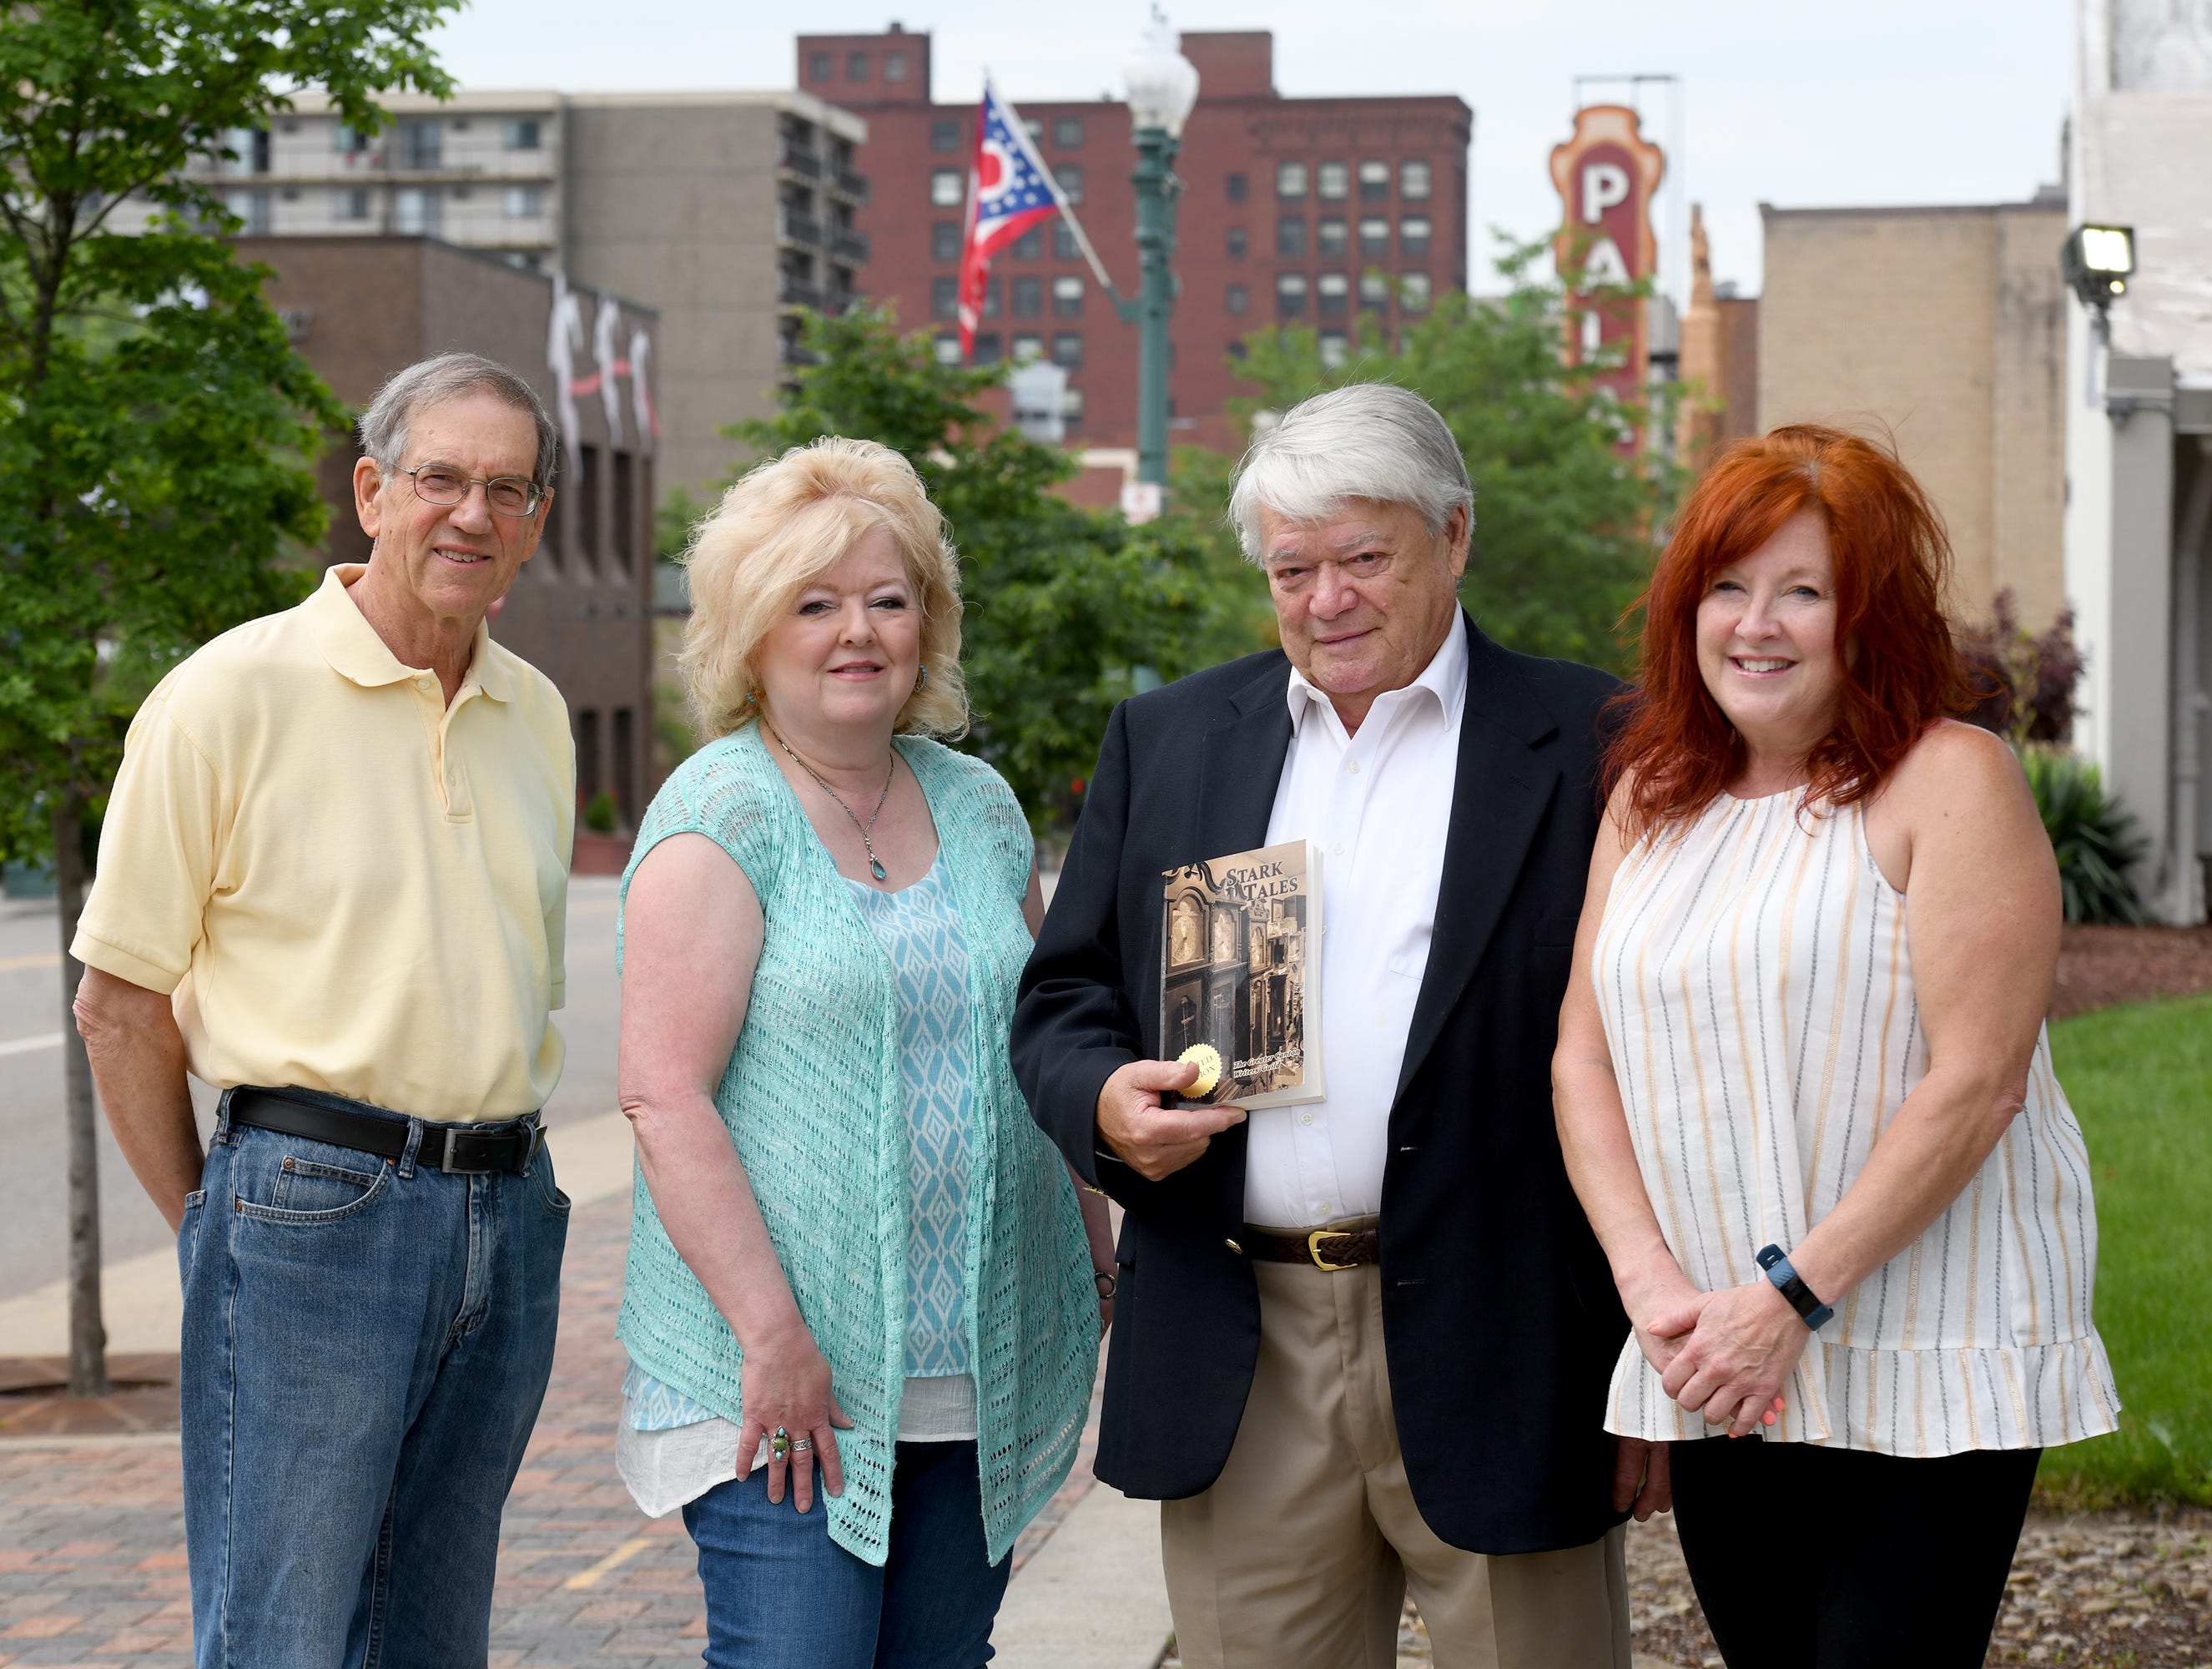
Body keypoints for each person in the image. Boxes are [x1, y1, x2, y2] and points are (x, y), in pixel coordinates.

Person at [1010, 383, 1650, 1669]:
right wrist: (1104, 1108)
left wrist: (1648, 1352)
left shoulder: (1598, 741)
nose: (1326, 599)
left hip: (1507, 1336)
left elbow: (1659, 1048)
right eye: (1293, 568)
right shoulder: (1174, 738)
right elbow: (1065, 997)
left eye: (1365, 558)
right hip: (1240, 1342)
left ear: (1455, 536)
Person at [1551, 425, 2120, 1668]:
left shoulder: (1948, 780)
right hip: (1718, 1345)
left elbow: (1979, 1085)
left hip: (1920, 1338)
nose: (1757, 624)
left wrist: (1792, 1297)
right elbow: (1580, 1060)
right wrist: (1654, 1292)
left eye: (1803, 592)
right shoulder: (1651, 793)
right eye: (1729, 587)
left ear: (1870, 621)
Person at [71, 352, 577, 1668]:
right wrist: (215, 1232)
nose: (472, 514)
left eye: (507, 489)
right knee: (286, 1638)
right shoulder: (225, 696)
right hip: (310, 1203)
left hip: (507, 1215)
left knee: (433, 1635)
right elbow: (119, 1007)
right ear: (370, 491)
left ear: (536, 522)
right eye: (440, 479)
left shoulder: (540, 715)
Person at [614, 436, 1107, 1668]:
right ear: (748, 632)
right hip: (789, 1378)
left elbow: (1042, 1043)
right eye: (814, 603)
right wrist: (772, 1341)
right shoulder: (721, 816)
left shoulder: (980, 805)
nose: (859, 633)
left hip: (972, 1370)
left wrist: (1094, 1256)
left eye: (890, 601)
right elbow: (663, 1096)